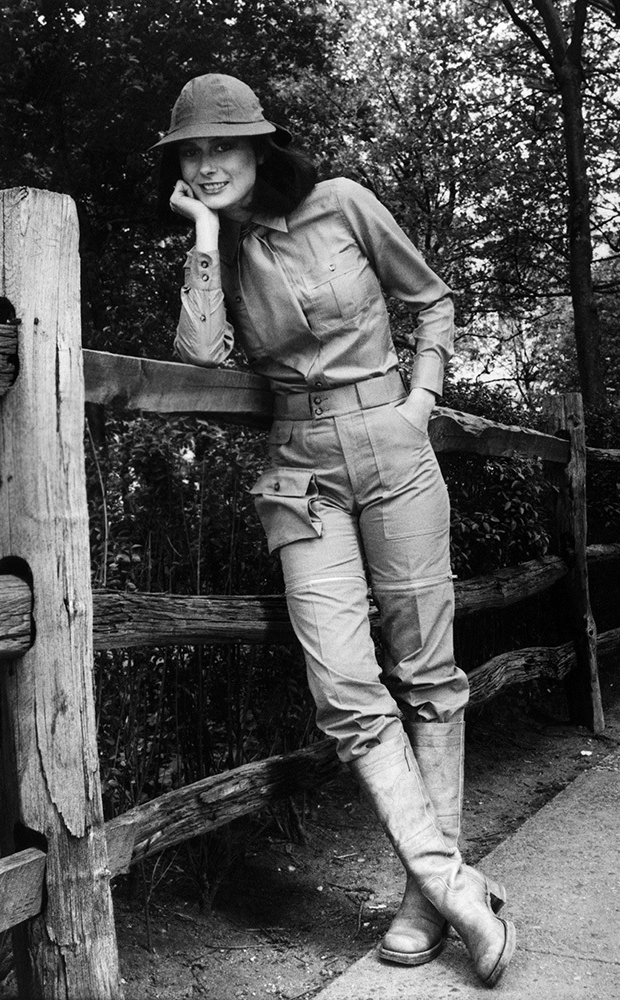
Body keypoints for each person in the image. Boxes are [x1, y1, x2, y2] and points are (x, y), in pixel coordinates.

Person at [152, 72, 515, 987]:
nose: (205, 165)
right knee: (346, 686)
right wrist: (201, 238)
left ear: (259, 148)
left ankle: (418, 901)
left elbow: (431, 300)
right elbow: (201, 354)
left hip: (394, 447)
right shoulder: (221, 249)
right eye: (190, 152)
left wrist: (422, 401)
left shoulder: (343, 204)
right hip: (299, 468)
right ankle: (457, 888)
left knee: (428, 673)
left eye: (221, 147)